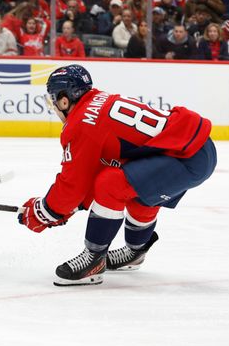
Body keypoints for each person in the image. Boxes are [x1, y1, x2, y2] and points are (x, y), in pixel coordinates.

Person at [18, 65, 216, 285]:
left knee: (111, 184)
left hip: (186, 158)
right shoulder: (98, 101)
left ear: (65, 100)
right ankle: (135, 250)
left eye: (53, 99)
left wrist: (44, 211)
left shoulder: (81, 124)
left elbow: (73, 184)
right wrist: (68, 208)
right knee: (131, 184)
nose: (54, 106)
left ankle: (94, 260)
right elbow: (92, 172)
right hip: (194, 150)